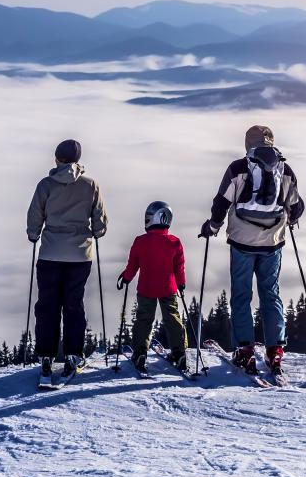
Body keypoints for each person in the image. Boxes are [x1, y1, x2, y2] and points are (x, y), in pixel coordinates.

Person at [200, 125, 304, 375]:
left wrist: (212, 226)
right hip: (273, 242)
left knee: (241, 295)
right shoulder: (285, 169)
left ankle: (244, 350)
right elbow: (296, 206)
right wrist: (289, 219)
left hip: (242, 242)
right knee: (270, 294)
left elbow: (221, 202)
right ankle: (275, 350)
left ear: (248, 143)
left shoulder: (238, 168)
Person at [26, 139, 108, 383]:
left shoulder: (45, 185)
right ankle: (73, 355)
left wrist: (34, 235)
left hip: (50, 253)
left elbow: (35, 216)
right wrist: (95, 232)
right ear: (77, 160)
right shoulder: (90, 185)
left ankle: (46, 356)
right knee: (74, 305)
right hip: (80, 256)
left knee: (47, 305)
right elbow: (100, 222)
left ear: (57, 159)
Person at [118, 201, 188, 373]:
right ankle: (179, 353)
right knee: (172, 318)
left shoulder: (140, 241)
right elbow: (179, 267)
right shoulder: (174, 242)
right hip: (168, 287)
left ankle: (140, 352)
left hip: (146, 287)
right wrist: (181, 283)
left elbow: (133, 265)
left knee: (144, 319)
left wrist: (126, 278)